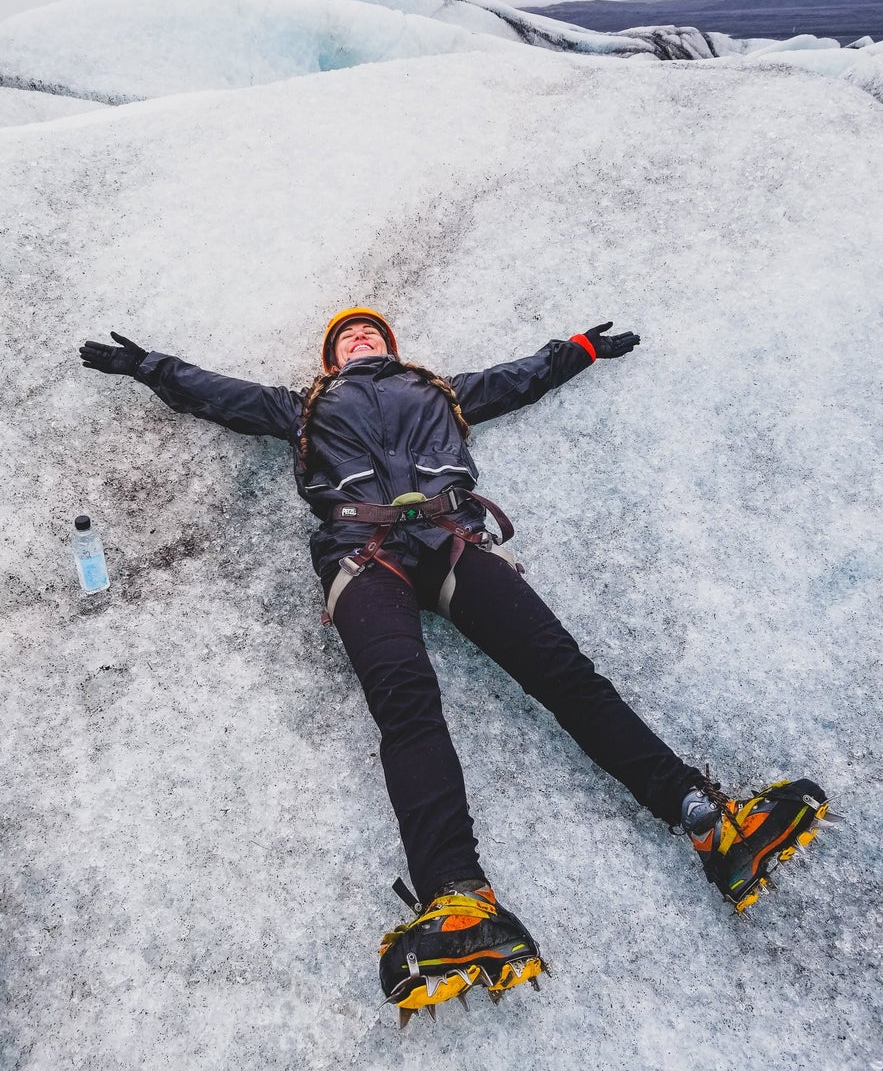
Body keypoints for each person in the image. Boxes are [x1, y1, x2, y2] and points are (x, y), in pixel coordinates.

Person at [80, 311, 832, 1024]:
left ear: (390, 345)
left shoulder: (439, 389)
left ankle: (709, 822)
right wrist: (149, 365)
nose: (359, 336)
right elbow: (221, 396)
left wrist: (576, 348)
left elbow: (515, 378)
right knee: (406, 702)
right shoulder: (302, 405)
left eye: (369, 329)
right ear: (330, 359)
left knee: (567, 674)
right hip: (360, 554)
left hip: (453, 540)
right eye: (346, 336)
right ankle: (457, 898)